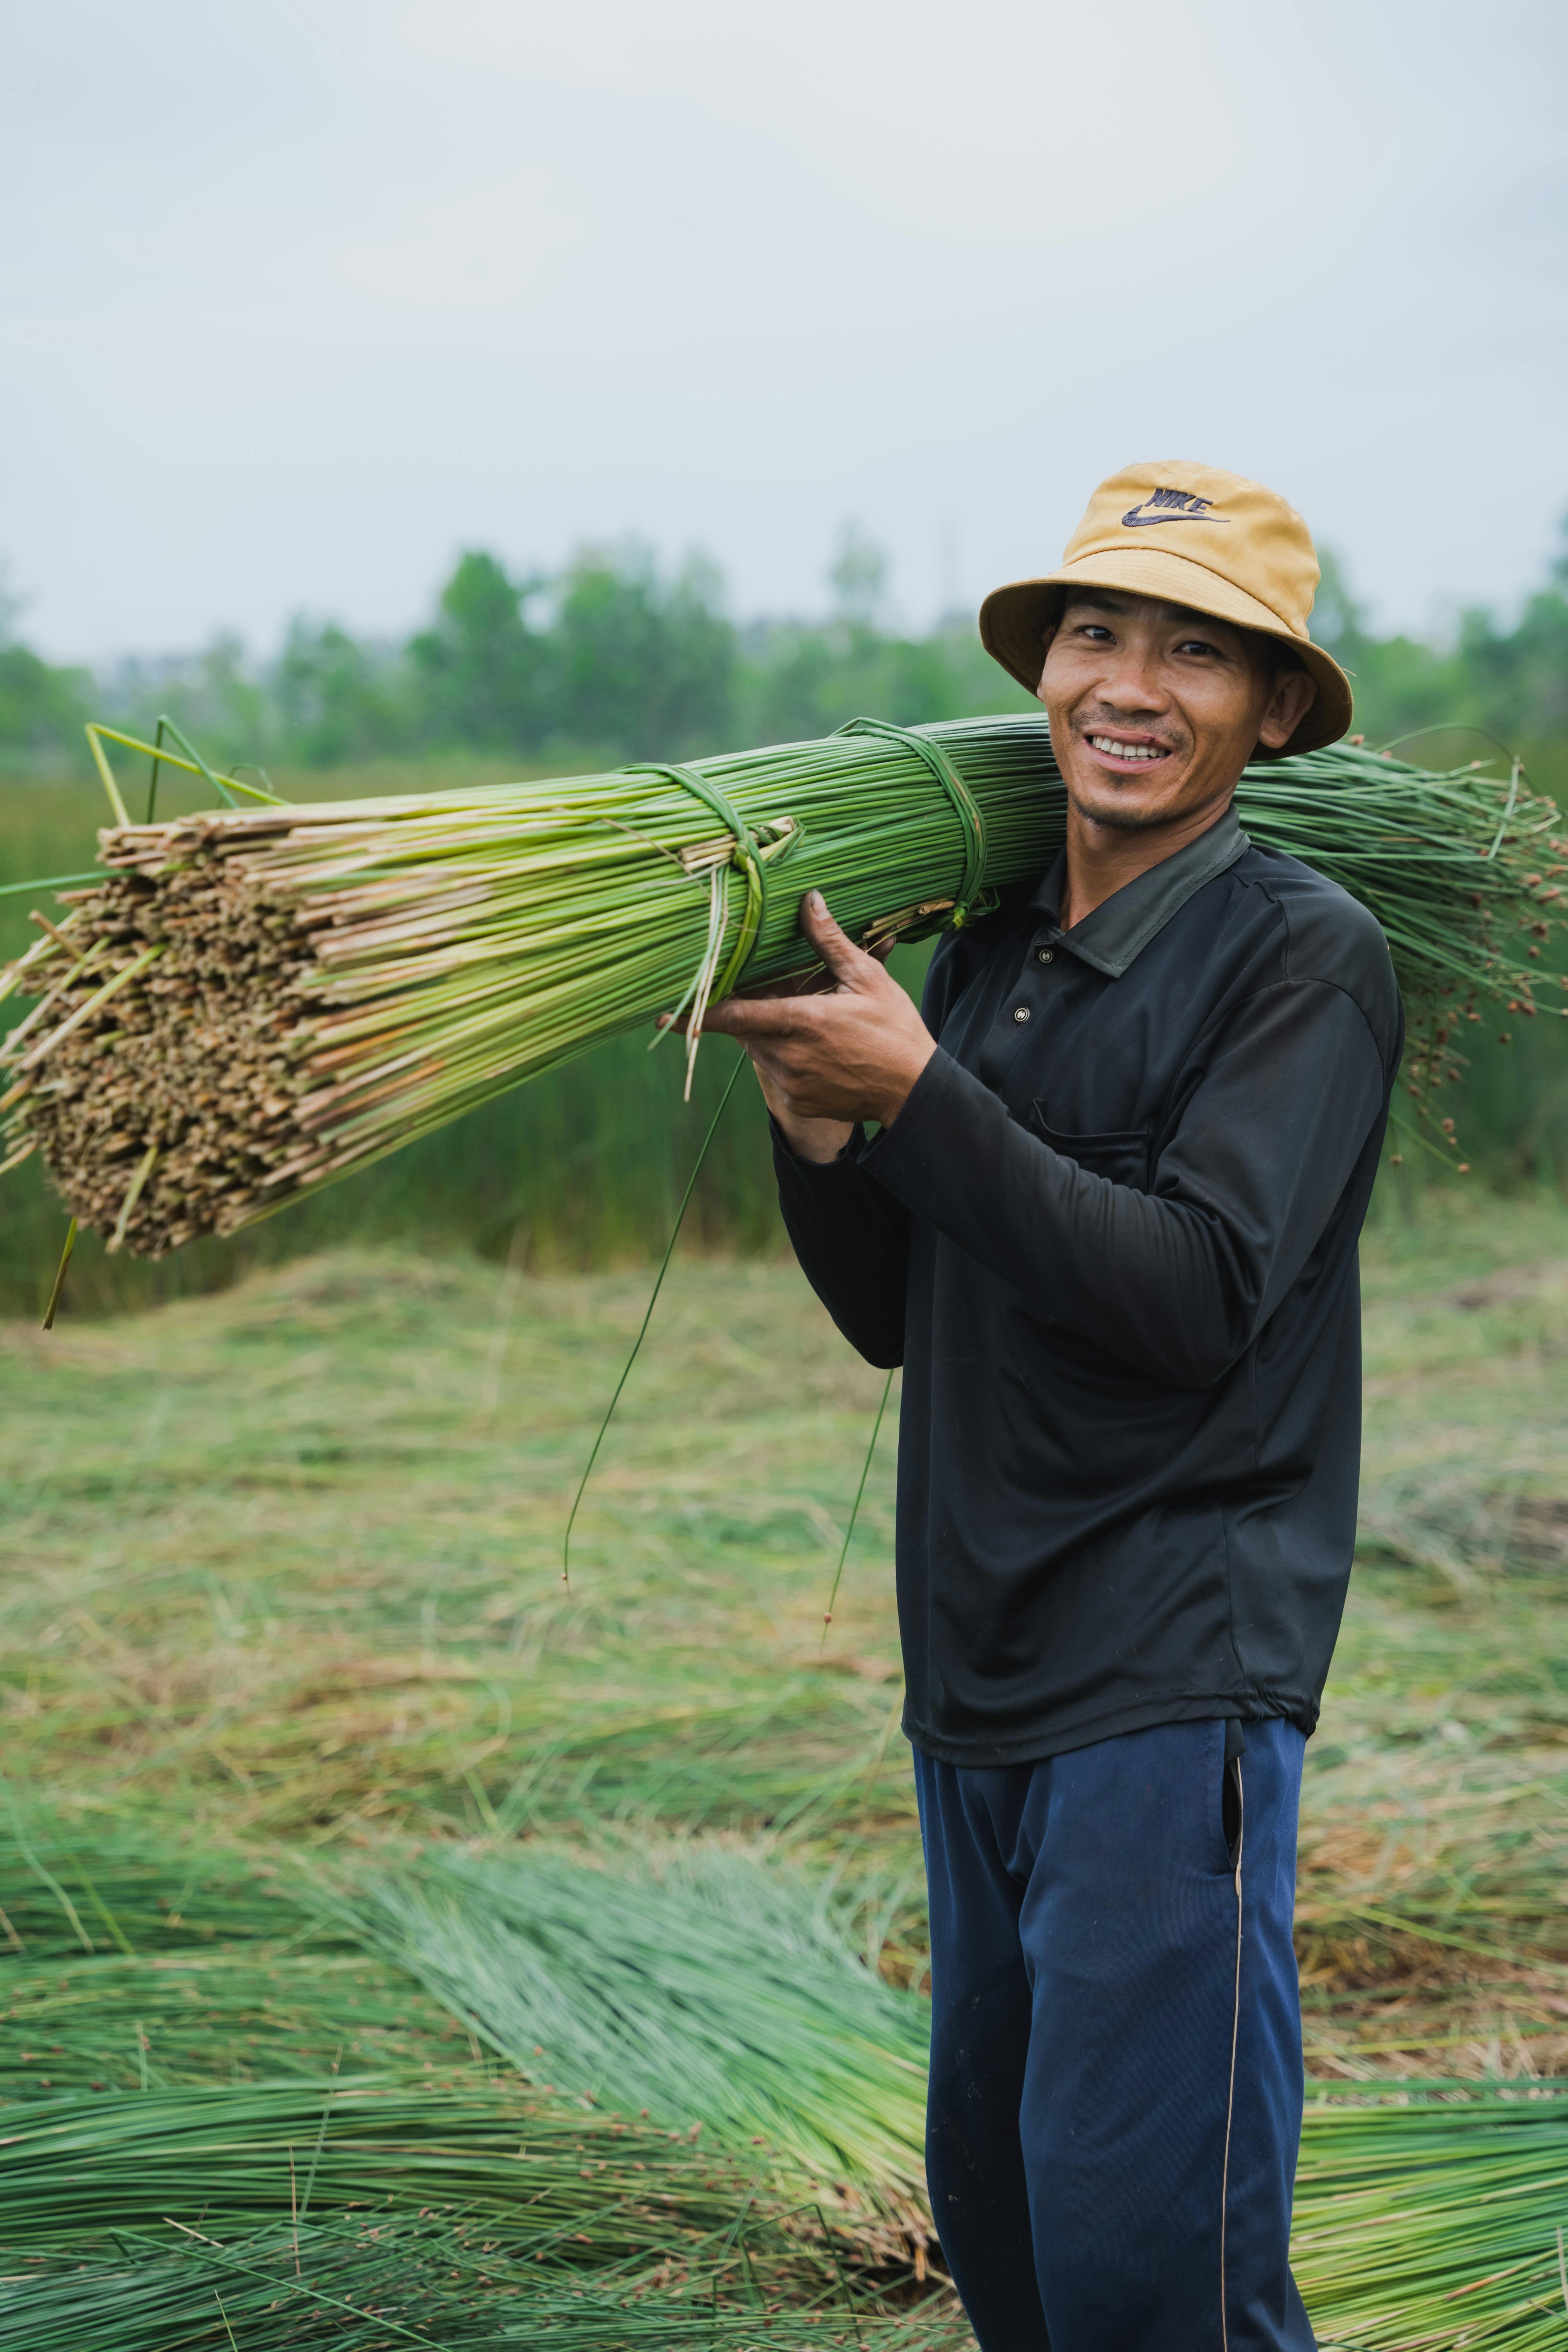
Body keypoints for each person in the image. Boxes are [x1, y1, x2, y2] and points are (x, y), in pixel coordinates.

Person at [688, 462, 1403, 2351]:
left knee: (1153, 2276)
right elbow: (902, 1321)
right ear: (1046, 668)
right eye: (1098, 632)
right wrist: (826, 1132)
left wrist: (920, 1102)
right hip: (977, 1680)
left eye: (1200, 652)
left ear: (1273, 709)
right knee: (1011, 2242)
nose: (1132, 685)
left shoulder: (1299, 955)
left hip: (1172, 1679)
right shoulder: (987, 955)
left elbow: (1194, 1301)